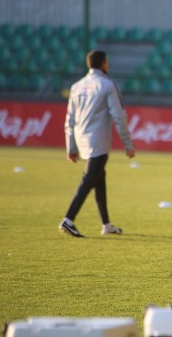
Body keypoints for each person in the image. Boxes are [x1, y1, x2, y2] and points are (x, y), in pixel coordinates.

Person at [58, 50, 135, 238]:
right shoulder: (107, 85)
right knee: (89, 179)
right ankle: (68, 220)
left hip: (81, 138)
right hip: (98, 140)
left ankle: (106, 224)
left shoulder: (76, 86)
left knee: (100, 178)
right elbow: (119, 115)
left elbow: (70, 119)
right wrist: (128, 143)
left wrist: (71, 147)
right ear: (104, 64)